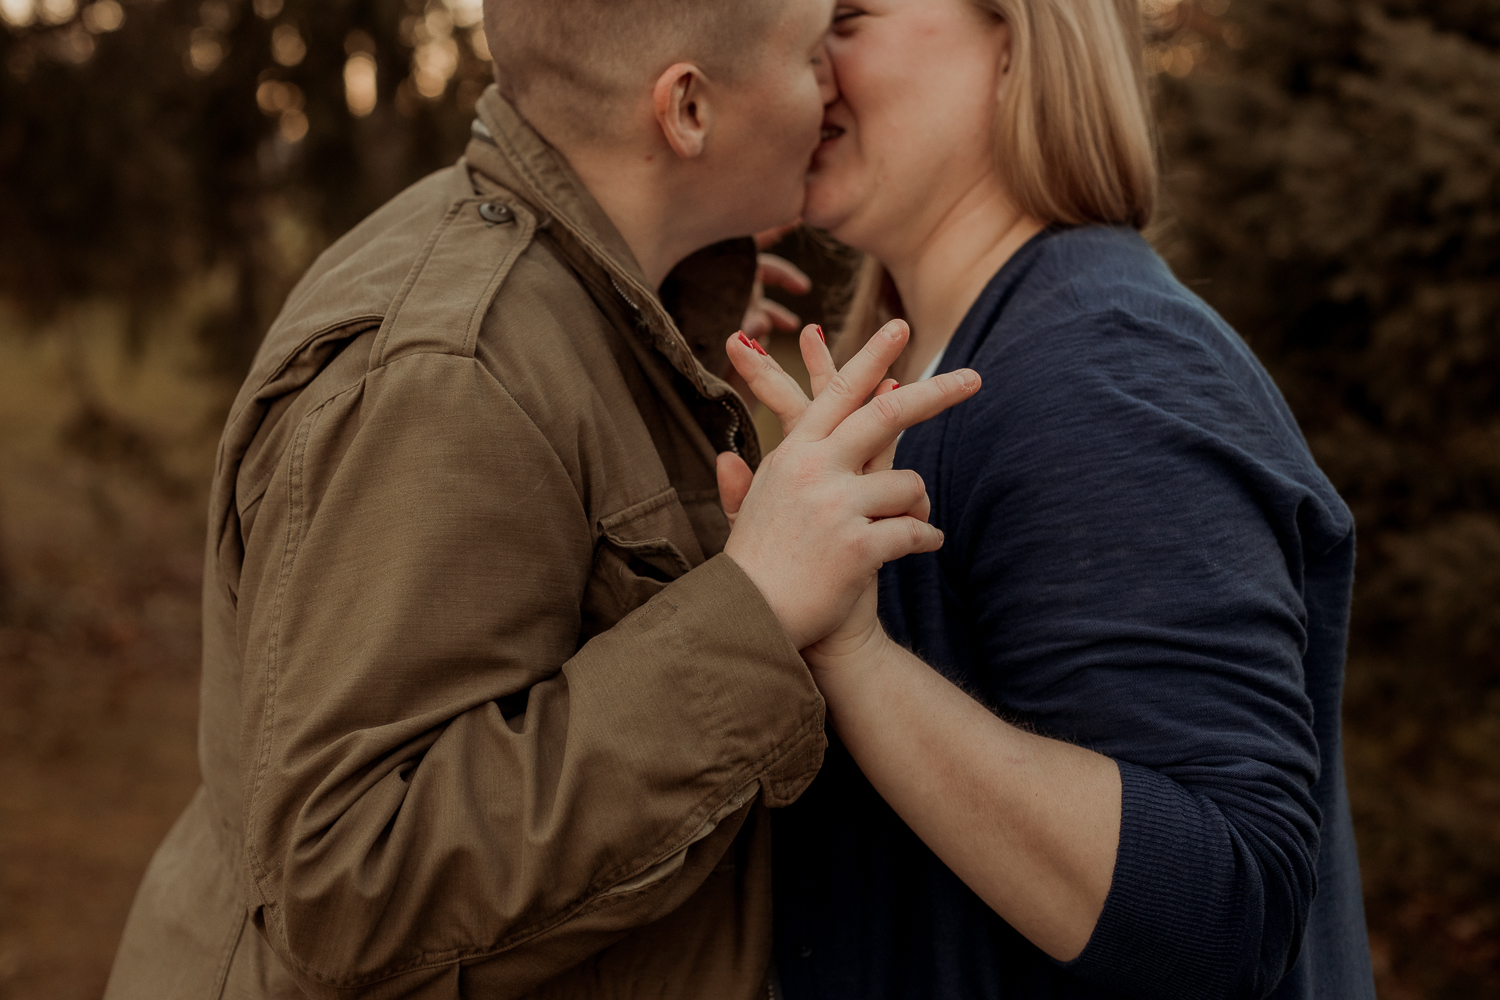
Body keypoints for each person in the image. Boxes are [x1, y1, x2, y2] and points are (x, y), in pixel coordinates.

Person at [102, 1, 982, 997]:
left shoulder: (576, 299)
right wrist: (758, 606)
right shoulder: (448, 373)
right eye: (810, 53)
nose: (833, 85)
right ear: (687, 108)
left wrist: (674, 340)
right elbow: (344, 881)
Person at [724, 1, 1378, 997]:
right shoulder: (953, 372)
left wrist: (852, 656)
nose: (805, 56)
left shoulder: (1102, 364)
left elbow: (1228, 910)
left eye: (849, 14)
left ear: (1017, 39)